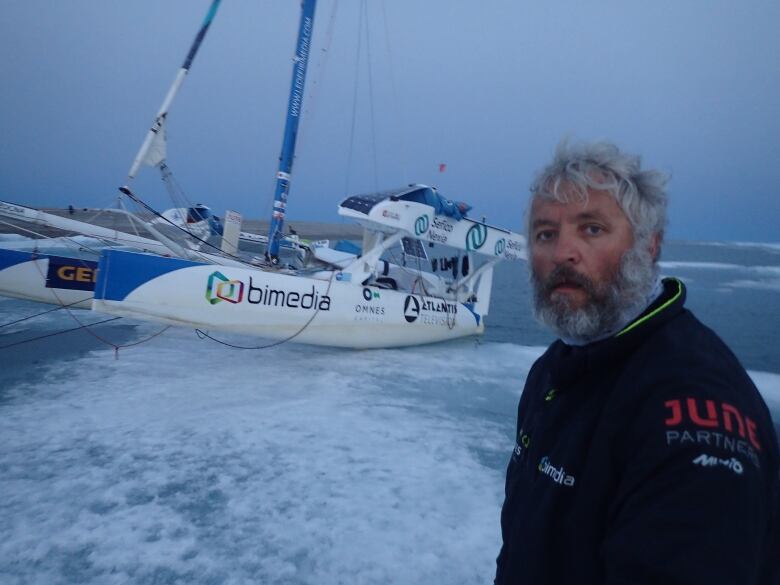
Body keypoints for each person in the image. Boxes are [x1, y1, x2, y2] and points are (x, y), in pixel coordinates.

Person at [494, 140, 780, 585]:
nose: (562, 252)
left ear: (648, 245)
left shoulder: (693, 410)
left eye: (591, 229)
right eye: (545, 233)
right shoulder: (556, 368)